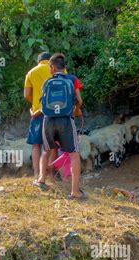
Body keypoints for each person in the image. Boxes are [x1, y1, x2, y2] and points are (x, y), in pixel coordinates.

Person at [35, 53, 84, 199]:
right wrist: (75, 112)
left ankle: (41, 179)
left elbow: (43, 105)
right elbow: (79, 101)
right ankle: (75, 192)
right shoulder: (72, 80)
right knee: (74, 153)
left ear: (52, 67)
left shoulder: (47, 82)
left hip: (49, 120)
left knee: (47, 150)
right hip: (66, 121)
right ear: (63, 67)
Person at [24, 52, 53, 178]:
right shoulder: (56, 69)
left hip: (37, 113)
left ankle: (37, 173)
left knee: (36, 144)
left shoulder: (31, 72)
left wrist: (35, 103)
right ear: (50, 60)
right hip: (55, 112)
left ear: (38, 61)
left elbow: (26, 95)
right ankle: (51, 174)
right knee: (52, 145)